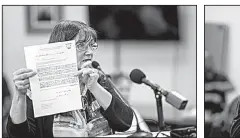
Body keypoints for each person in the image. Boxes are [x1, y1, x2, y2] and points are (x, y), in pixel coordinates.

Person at [7, 20, 149, 137]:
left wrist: (94, 87)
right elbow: (19, 135)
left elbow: (125, 122)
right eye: (81, 45)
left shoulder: (98, 77)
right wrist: (19, 95)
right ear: (60, 48)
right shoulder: (39, 85)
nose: (89, 52)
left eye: (92, 46)